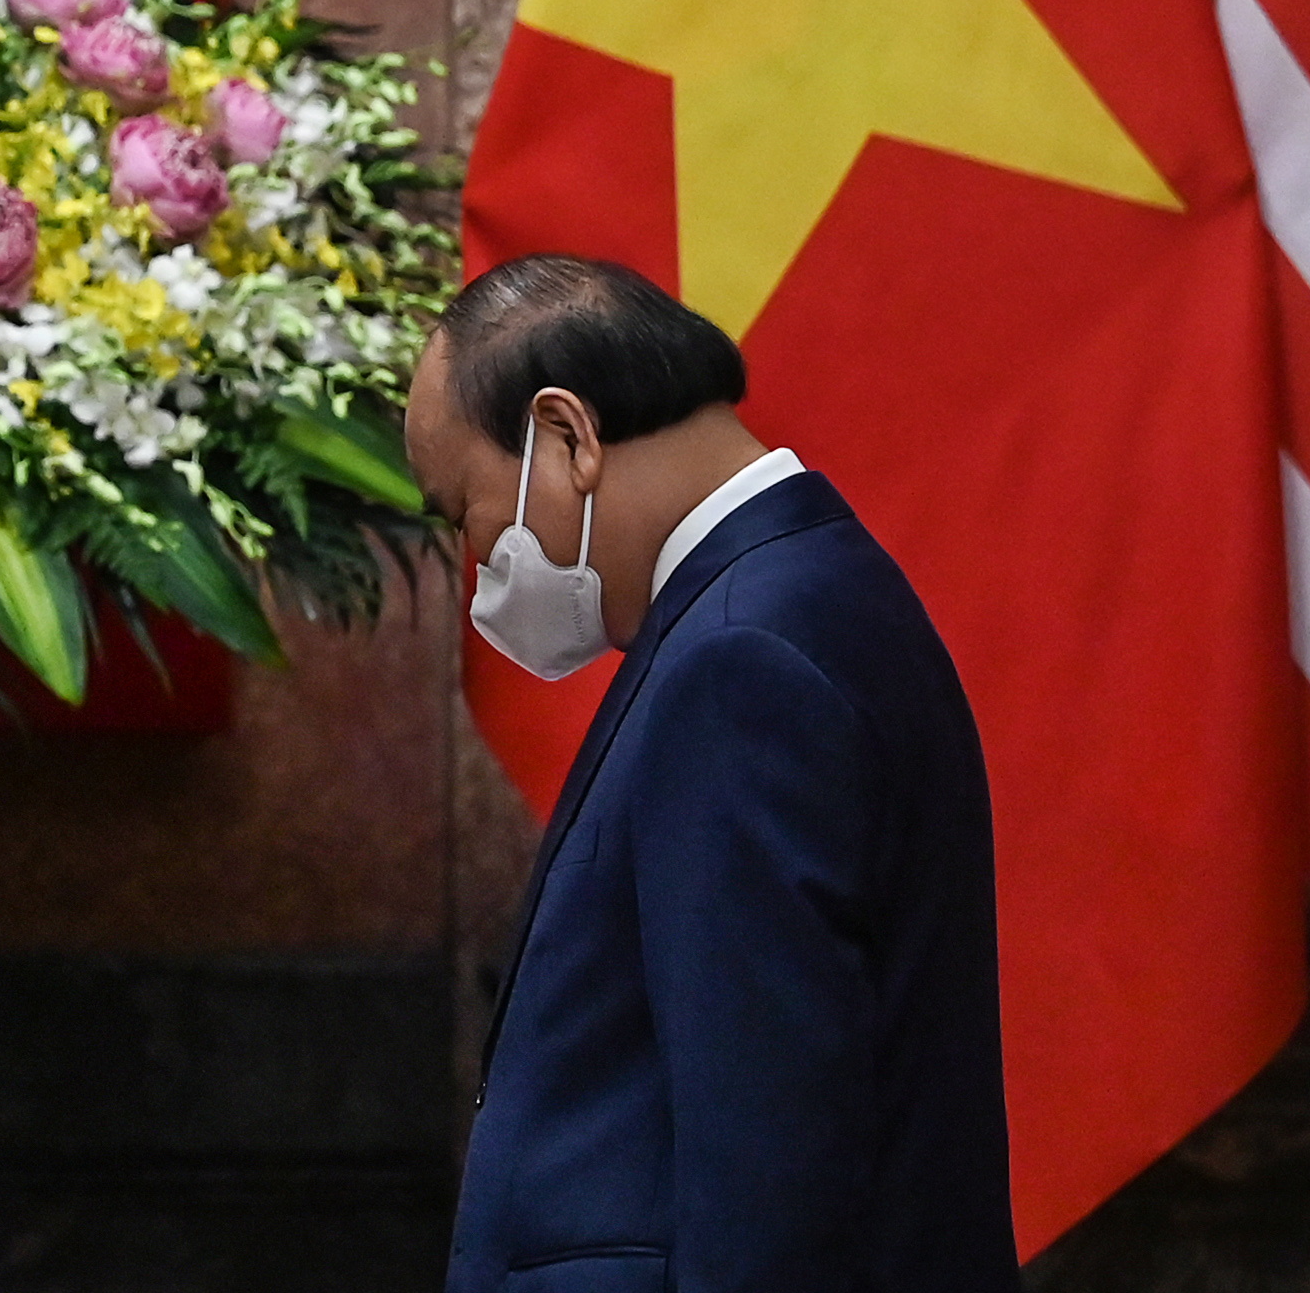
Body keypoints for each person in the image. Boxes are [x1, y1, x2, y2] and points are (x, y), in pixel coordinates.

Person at [406, 254, 1018, 1293]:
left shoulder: (742, 656)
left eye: (461, 507)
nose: (476, 557)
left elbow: (769, 1153)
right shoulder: (794, 597)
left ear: (566, 435)